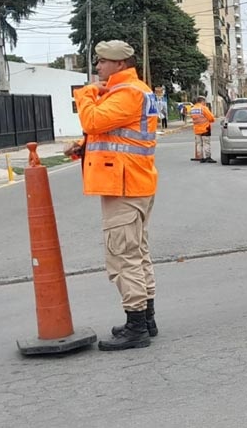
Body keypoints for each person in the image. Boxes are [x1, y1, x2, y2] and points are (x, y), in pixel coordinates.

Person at [70, 40, 159, 351]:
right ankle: (145, 318)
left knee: (123, 256)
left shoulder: (127, 92)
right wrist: (84, 148)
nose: (98, 67)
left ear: (119, 64)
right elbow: (114, 133)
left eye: (102, 62)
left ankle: (137, 326)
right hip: (134, 182)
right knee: (138, 253)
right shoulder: (137, 91)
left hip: (124, 185)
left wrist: (85, 94)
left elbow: (92, 120)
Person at [190, 96, 216, 163]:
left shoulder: (192, 109)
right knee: (206, 143)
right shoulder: (203, 108)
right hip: (205, 128)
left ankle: (200, 157)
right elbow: (211, 118)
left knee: (199, 144)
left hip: (196, 129)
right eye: (205, 102)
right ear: (202, 101)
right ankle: (208, 157)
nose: (205, 103)